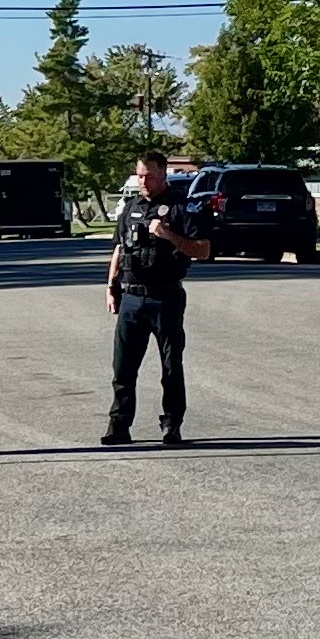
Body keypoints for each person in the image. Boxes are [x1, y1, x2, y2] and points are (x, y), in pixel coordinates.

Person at [103, 149, 212, 447]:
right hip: (131, 299)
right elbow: (119, 249)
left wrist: (168, 235)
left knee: (170, 366)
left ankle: (171, 424)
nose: (144, 181)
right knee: (123, 367)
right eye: (140, 176)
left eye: (149, 176)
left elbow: (203, 250)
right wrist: (110, 287)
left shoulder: (182, 208)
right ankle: (119, 424)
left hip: (166, 297)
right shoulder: (129, 208)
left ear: (163, 173)